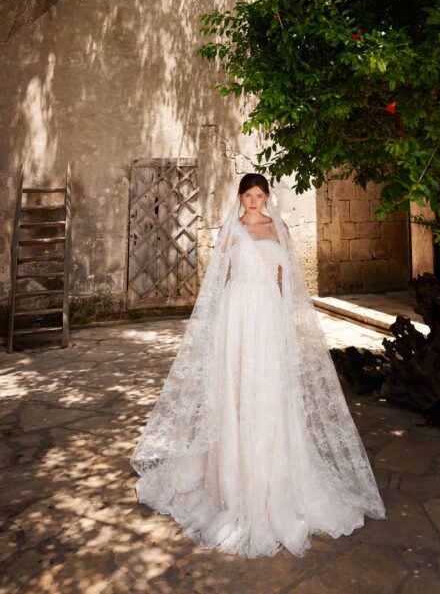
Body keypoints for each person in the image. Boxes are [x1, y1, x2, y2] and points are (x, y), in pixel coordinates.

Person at [130, 173, 386, 558]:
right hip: (237, 318)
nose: (253, 201)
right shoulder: (230, 231)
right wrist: (216, 329)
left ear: (267, 197)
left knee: (268, 391)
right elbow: (220, 282)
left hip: (269, 318)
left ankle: (274, 477)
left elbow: (286, 279)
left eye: (259, 195)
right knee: (237, 392)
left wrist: (286, 325)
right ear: (239, 197)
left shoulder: (279, 227)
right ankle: (234, 484)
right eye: (247, 195)